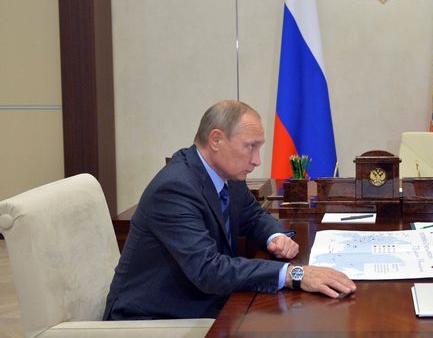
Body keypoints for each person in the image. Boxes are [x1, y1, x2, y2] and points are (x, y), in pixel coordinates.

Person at [104, 100, 355, 320]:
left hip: (207, 299)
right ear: (216, 140)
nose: (257, 160)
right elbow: (209, 270)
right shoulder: (174, 189)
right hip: (155, 316)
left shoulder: (227, 175)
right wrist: (294, 274)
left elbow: (253, 215)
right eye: (250, 146)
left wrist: (274, 236)